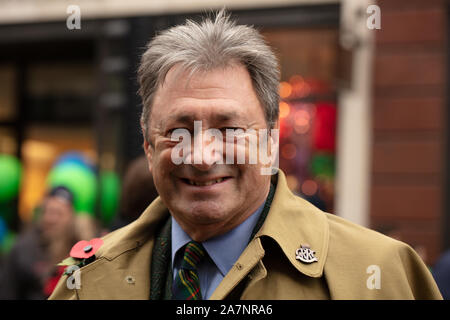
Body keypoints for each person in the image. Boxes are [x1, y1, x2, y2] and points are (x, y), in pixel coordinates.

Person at [50, 10, 442, 300]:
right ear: (148, 144)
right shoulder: (87, 283)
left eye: (230, 129)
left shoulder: (379, 276)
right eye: (177, 130)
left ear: (270, 142)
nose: (201, 156)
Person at [0, 186, 78, 299]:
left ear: (71, 217)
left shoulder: (78, 247)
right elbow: (7, 291)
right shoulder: (23, 248)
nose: (51, 219)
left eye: (59, 213)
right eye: (48, 212)